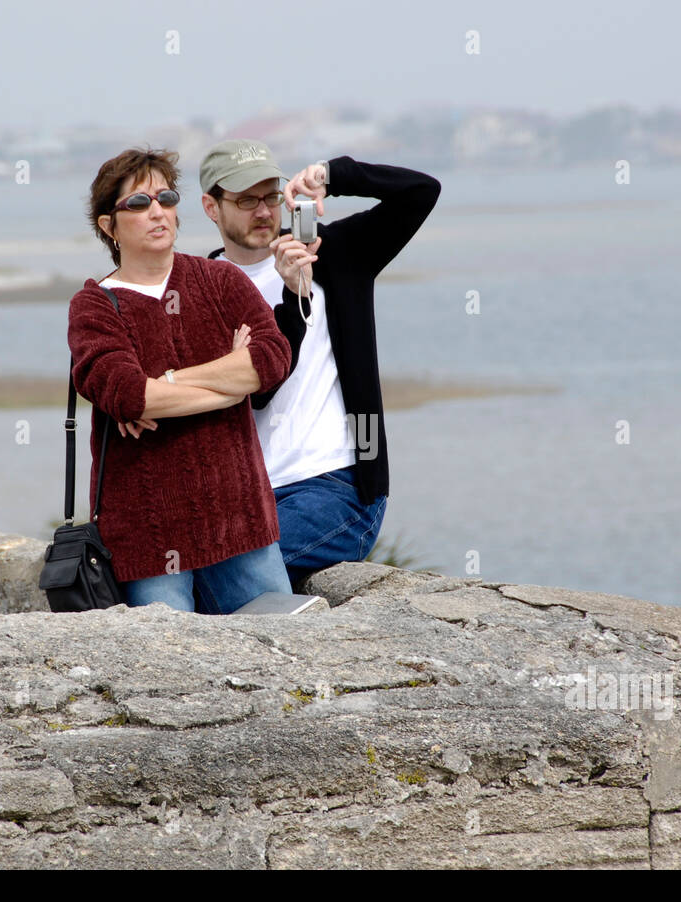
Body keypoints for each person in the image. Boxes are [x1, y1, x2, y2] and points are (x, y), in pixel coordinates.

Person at [197, 140, 441, 589]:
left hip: (339, 487)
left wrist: (334, 174)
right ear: (212, 207)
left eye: (271, 196)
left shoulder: (334, 253)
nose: (264, 211)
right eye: (247, 200)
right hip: (245, 493)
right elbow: (256, 392)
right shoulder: (201, 291)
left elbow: (420, 192)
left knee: (230, 564)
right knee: (188, 565)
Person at [67, 146, 297, 614]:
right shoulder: (93, 306)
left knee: (280, 654)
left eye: (166, 198)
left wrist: (166, 385)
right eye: (138, 203)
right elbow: (130, 393)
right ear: (108, 227)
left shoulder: (222, 281)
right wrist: (229, 383)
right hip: (148, 538)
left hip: (242, 523)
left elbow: (272, 359)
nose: (157, 212)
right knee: (165, 681)